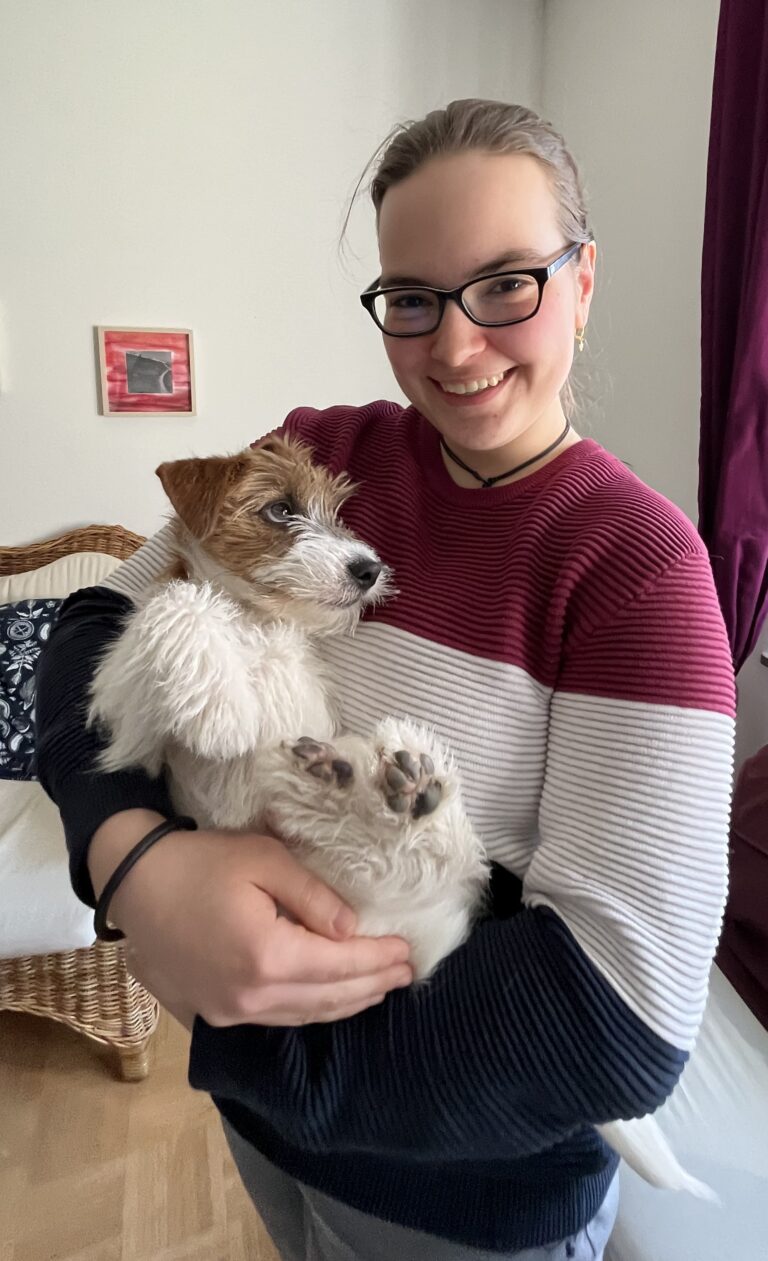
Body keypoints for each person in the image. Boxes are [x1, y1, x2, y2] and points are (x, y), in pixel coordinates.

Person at [36, 100, 736, 1260]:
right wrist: (136, 861)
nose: (455, 349)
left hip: (468, 1199)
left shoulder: (640, 568)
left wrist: (242, 1028)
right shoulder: (326, 450)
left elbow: (623, 1021)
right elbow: (97, 620)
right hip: (264, 1132)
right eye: (411, 299)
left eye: (508, 282)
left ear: (585, 276)